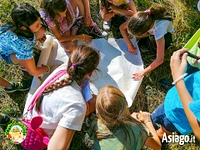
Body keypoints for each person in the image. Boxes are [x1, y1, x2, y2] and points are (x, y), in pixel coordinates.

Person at [25, 45, 100, 149]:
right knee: (96, 102)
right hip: (38, 136)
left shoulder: (63, 69)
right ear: (91, 73)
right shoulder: (77, 105)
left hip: (31, 117)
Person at [87, 85, 161, 150]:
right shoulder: (138, 130)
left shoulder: (93, 123)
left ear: (98, 112)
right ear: (125, 104)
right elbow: (157, 146)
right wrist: (148, 121)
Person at [0, 2, 50, 92]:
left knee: (40, 31)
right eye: (37, 25)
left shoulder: (17, 25)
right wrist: (47, 68)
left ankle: (25, 63)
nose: (40, 25)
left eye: (39, 22)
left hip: (8, 45)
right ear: (23, 27)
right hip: (6, 54)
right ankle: (12, 84)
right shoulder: (23, 46)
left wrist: (37, 36)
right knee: (25, 60)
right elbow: (34, 72)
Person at [152, 48, 200, 140]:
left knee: (163, 130)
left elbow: (198, 131)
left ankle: (158, 137)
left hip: (177, 113)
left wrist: (178, 79)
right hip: (182, 94)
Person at [126, 4, 174, 79]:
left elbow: (160, 59)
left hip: (166, 34)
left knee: (159, 48)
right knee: (142, 42)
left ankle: (165, 46)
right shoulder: (143, 17)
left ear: (146, 32)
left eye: (137, 36)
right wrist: (129, 44)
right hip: (152, 29)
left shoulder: (160, 29)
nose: (134, 37)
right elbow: (122, 28)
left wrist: (143, 72)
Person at [40, 0, 107, 54]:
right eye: (61, 15)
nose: (64, 15)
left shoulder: (64, 4)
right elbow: (60, 38)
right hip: (64, 28)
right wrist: (79, 37)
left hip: (72, 16)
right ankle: (75, 28)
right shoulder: (49, 19)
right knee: (69, 47)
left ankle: (87, 24)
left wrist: (87, 16)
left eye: (65, 11)